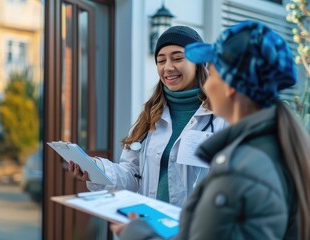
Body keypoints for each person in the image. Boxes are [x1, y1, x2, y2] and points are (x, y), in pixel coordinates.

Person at [112, 20, 310, 240]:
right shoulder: (277, 143)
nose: (207, 84)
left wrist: (136, 234)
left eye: (213, 74)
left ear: (231, 85)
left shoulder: (239, 166)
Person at [68, 26, 227, 207]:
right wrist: (97, 169)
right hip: (152, 227)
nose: (168, 67)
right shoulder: (150, 115)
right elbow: (132, 174)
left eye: (177, 58)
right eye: (160, 60)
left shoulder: (222, 116)